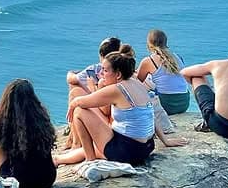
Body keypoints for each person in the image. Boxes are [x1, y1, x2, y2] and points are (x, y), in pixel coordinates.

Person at [56, 50, 187, 166]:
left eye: (105, 71)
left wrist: (76, 102)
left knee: (79, 110)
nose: (101, 74)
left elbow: (79, 102)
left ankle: (90, 161)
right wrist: (165, 141)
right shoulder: (137, 83)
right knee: (93, 149)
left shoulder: (116, 89)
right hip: (145, 148)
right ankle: (57, 160)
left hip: (126, 151)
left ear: (118, 74)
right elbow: (150, 114)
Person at [0, 79, 57, 188]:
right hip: (47, 179)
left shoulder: (2, 123)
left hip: (19, 185)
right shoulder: (42, 119)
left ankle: (1, 177)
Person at [136, 29, 191, 115]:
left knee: (146, 83)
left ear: (149, 44)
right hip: (184, 103)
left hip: (166, 106)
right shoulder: (177, 57)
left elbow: (137, 83)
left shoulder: (149, 60)